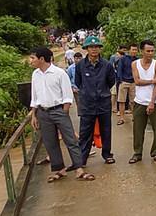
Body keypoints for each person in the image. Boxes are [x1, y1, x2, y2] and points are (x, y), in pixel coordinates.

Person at [28, 46, 94, 182]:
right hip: (43, 112)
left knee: (70, 140)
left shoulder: (59, 73)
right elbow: (34, 97)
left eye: (32, 58)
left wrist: (63, 112)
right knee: (50, 142)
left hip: (58, 110)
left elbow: (67, 96)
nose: (30, 61)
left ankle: (79, 169)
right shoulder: (35, 75)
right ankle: (59, 169)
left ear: (41, 59)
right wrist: (34, 115)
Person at [75, 35, 117, 165]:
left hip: (103, 103)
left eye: (96, 47)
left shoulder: (107, 65)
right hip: (87, 104)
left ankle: (107, 154)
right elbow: (78, 82)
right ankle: (82, 158)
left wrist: (101, 92)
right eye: (91, 47)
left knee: (106, 130)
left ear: (100, 49)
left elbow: (111, 81)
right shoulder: (80, 65)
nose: (94, 49)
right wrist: (88, 93)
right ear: (86, 49)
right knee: (85, 132)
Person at [129, 40, 156, 163]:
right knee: (138, 129)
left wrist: (152, 103)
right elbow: (137, 81)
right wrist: (152, 80)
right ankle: (137, 153)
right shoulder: (135, 64)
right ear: (141, 51)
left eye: (152, 51)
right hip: (139, 101)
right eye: (148, 51)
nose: (150, 53)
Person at [116, 44, 138, 125]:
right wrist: (120, 80)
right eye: (133, 49)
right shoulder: (123, 59)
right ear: (129, 50)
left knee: (134, 101)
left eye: (136, 50)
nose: (134, 51)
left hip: (133, 83)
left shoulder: (138, 60)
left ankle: (134, 117)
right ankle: (121, 118)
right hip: (124, 81)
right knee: (121, 101)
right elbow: (119, 70)